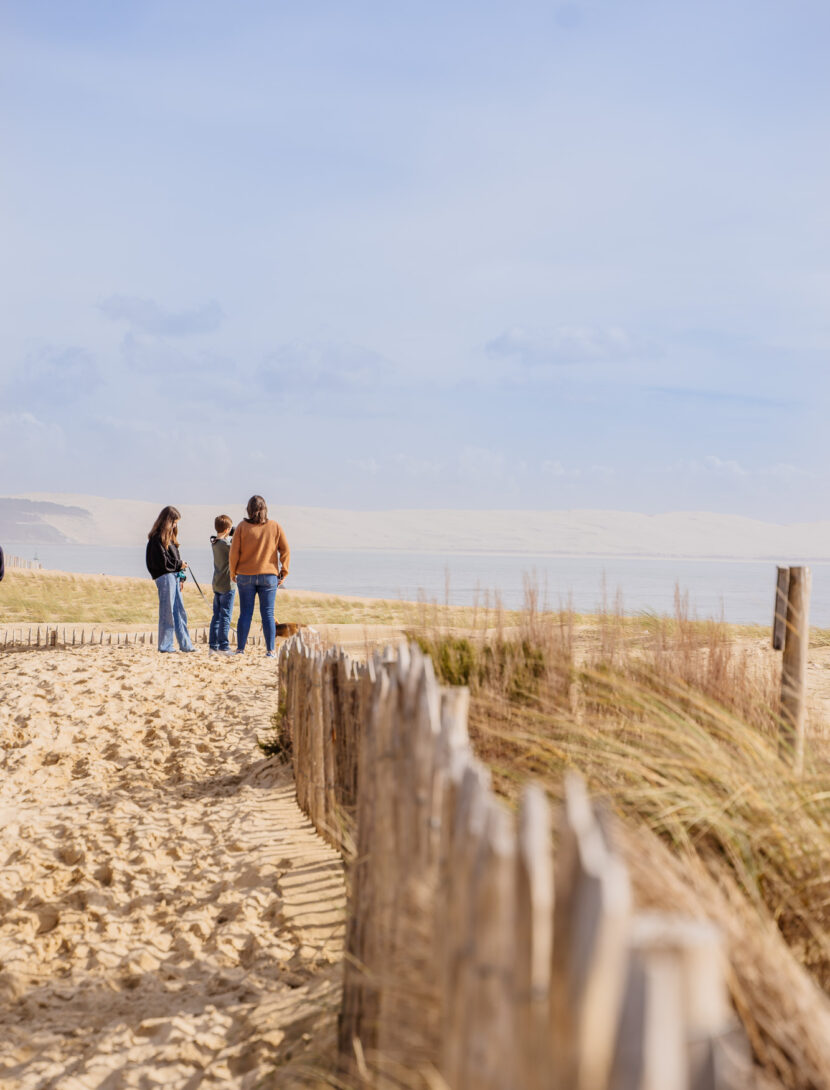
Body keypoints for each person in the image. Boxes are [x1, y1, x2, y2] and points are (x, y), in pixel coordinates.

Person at [229, 495, 290, 657]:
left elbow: (234, 552)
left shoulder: (242, 527)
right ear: (265, 510)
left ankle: (240, 649)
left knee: (245, 613)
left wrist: (233, 571)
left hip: (245, 575)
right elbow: (285, 550)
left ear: (249, 510)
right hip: (268, 576)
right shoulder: (275, 526)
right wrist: (284, 570)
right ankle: (270, 651)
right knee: (268, 614)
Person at [146, 506, 196, 653]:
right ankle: (165, 646)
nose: (175, 525)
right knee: (167, 612)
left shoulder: (171, 540)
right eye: (174, 522)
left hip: (174, 577)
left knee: (179, 612)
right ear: (168, 521)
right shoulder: (156, 539)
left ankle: (186, 645)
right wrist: (179, 565)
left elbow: (175, 560)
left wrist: (181, 577)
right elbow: (162, 562)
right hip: (165, 577)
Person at [209, 514, 236, 655]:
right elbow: (237, 553)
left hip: (217, 583)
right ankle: (224, 646)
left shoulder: (214, 542)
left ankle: (212, 647)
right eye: (231, 528)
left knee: (216, 616)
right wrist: (236, 536)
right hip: (227, 585)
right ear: (227, 529)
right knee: (225, 615)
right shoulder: (226, 545)